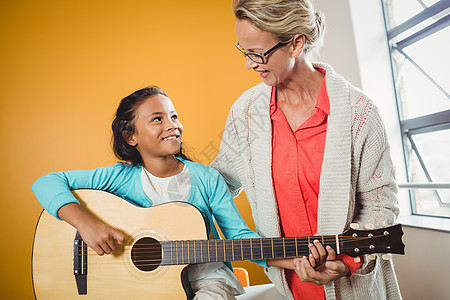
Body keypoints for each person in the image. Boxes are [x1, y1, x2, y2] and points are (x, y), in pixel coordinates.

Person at [211, 0, 402, 299]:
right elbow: (215, 184)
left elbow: (381, 205)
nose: (248, 64)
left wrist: (348, 262)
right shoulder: (246, 114)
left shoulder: (360, 114)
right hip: (290, 289)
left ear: (296, 44)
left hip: (355, 288)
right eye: (243, 51)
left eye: (257, 53)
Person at [32, 86, 269, 300]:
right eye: (157, 119)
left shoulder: (207, 178)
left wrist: (292, 256)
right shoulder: (120, 177)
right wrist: (86, 224)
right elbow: (46, 182)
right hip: (150, 289)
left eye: (174, 116)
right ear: (130, 136)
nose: (172, 125)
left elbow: (239, 238)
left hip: (208, 282)